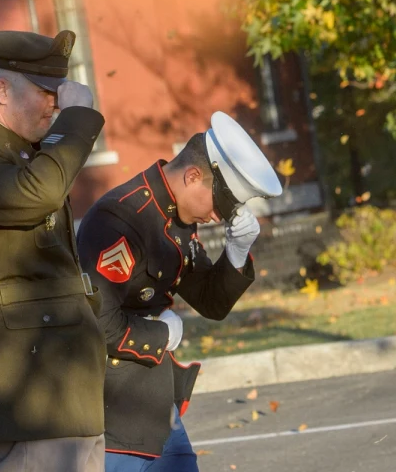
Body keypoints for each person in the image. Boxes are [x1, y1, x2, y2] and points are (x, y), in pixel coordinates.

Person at [0, 29, 108, 472]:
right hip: (28, 379)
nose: (56, 104)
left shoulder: (21, 154)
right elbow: (39, 194)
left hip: (60, 371)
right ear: (1, 89)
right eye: (47, 92)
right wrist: (79, 120)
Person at [76, 112, 282, 471]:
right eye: (219, 205)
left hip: (156, 403)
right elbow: (99, 324)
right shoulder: (120, 220)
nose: (218, 217)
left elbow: (210, 301)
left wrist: (235, 253)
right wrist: (162, 334)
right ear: (191, 176)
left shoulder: (176, 219)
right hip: (113, 410)